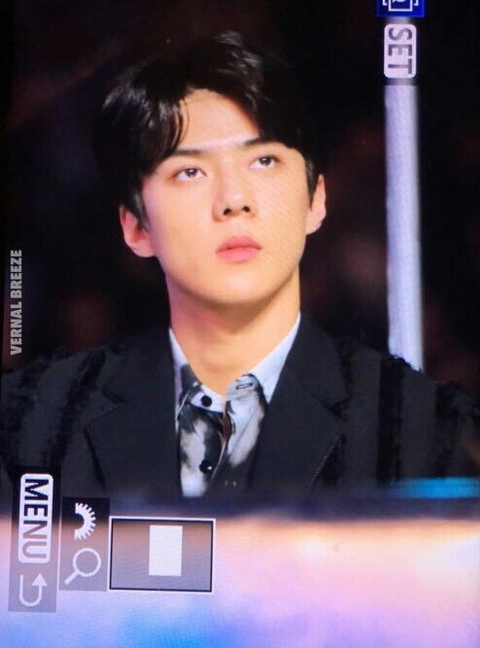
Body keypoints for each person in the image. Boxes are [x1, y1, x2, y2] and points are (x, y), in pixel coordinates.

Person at [1, 32, 478, 502]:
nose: (233, 200)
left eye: (264, 161)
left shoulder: (426, 432)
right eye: (190, 172)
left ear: (316, 199)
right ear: (136, 227)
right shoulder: (33, 427)